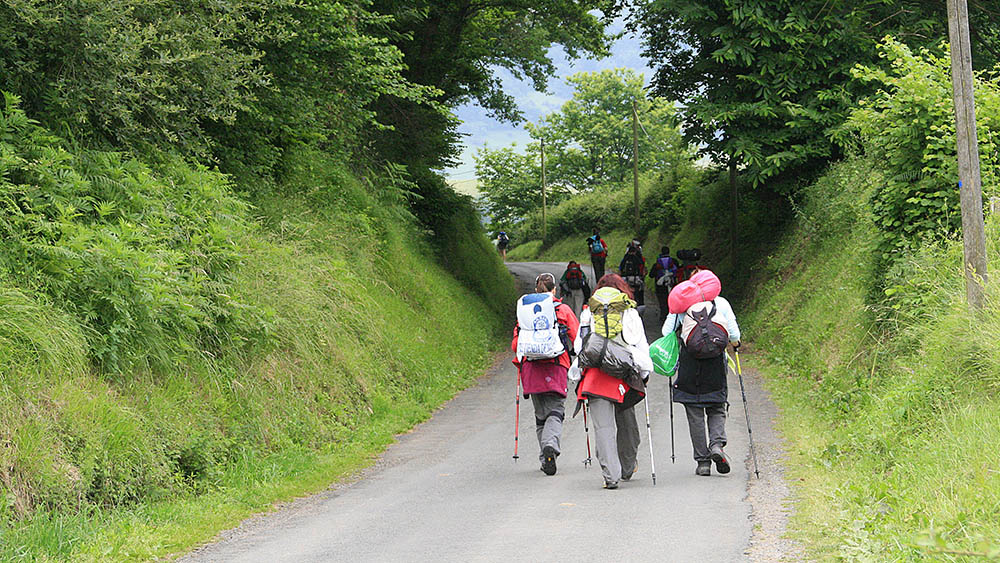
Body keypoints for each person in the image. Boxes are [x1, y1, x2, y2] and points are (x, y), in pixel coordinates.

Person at [569, 274, 653, 489]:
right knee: (627, 423)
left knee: (603, 427)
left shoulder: (589, 312)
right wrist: (643, 375)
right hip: (624, 376)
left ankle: (611, 476)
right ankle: (627, 466)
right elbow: (640, 345)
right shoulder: (630, 312)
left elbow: (580, 347)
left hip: (595, 377)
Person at [662, 269, 741, 477]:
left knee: (694, 411)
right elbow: (734, 334)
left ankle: (703, 463)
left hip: (690, 363)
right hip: (715, 362)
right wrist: (736, 344)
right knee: (716, 406)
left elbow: (665, 332)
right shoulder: (721, 303)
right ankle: (717, 445)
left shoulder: (682, 305)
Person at [511, 273, 580, 476]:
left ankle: (545, 458)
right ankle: (550, 446)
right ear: (554, 290)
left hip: (531, 369)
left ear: (536, 290)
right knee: (556, 411)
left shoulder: (525, 312)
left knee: (541, 416)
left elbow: (516, 345)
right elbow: (577, 339)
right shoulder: (562, 310)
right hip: (557, 366)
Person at [649, 246, 679, 324]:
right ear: (669, 252)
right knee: (671, 302)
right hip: (671, 285)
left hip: (660, 287)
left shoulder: (656, 264)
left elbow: (651, 275)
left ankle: (663, 318)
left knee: (662, 302)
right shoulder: (674, 262)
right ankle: (672, 318)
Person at [618, 240, 647, 306]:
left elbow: (621, 268)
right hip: (636, 279)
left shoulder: (625, 257)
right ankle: (640, 305)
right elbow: (642, 266)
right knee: (639, 294)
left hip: (626, 279)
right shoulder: (639, 258)